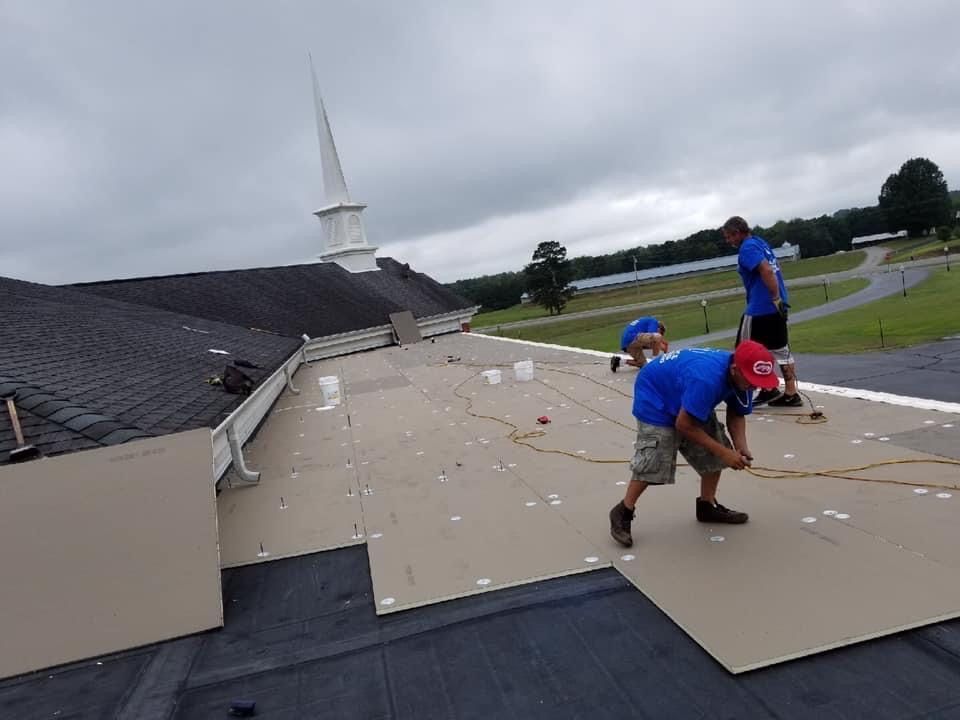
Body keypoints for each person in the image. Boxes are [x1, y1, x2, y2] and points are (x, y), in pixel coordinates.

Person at [608, 341, 780, 548]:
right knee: (654, 460)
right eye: (752, 381)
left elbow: (737, 413)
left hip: (688, 393)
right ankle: (623, 511)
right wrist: (726, 453)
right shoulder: (707, 379)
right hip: (656, 396)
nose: (755, 386)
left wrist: (740, 446)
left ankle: (707, 506)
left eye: (759, 381)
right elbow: (684, 425)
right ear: (735, 370)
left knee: (715, 448)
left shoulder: (744, 376)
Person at [722, 215, 802, 407]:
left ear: (737, 233)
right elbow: (773, 268)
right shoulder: (760, 242)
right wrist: (778, 299)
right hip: (776, 307)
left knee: (744, 351)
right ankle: (789, 392)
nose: (728, 241)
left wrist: (773, 297)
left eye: (729, 237)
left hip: (760, 309)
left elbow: (766, 270)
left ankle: (757, 389)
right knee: (781, 350)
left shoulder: (747, 248)